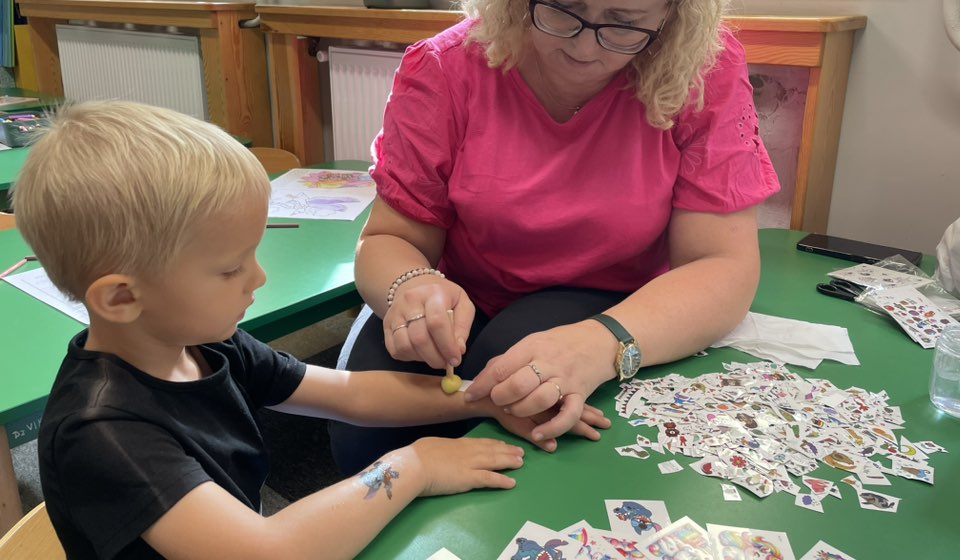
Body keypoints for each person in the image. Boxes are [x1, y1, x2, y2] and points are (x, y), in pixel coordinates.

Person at [330, 0, 780, 475]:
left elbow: (722, 267)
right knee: (363, 435)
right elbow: (388, 241)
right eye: (562, 9)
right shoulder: (444, 69)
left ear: (672, 14)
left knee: (518, 388)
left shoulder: (703, 69)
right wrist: (412, 287)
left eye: (624, 24)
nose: (585, 48)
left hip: (619, 302)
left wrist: (605, 342)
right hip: (463, 293)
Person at [12, 101, 608, 560]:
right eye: (230, 268)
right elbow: (267, 552)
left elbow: (349, 393)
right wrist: (415, 466)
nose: (259, 277)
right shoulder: (103, 430)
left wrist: (481, 398)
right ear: (121, 298)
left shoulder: (201, 342)